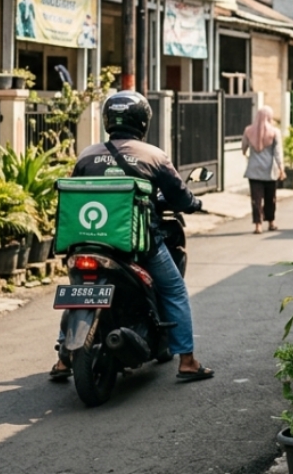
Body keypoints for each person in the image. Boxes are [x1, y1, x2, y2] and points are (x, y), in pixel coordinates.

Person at [50, 91, 213, 382]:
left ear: (108, 120)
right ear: (142, 121)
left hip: (86, 242)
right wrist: (194, 204)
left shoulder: (87, 154)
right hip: (137, 245)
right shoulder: (153, 155)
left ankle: (62, 361)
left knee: (78, 291)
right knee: (174, 289)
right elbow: (179, 197)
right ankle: (187, 361)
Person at [242, 105, 284, 235]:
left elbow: (243, 147)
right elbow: (277, 153)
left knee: (256, 199)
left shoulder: (248, 130)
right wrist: (281, 168)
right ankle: (271, 222)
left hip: (253, 171)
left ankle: (258, 225)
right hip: (269, 171)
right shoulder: (274, 132)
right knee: (270, 198)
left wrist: (247, 154)